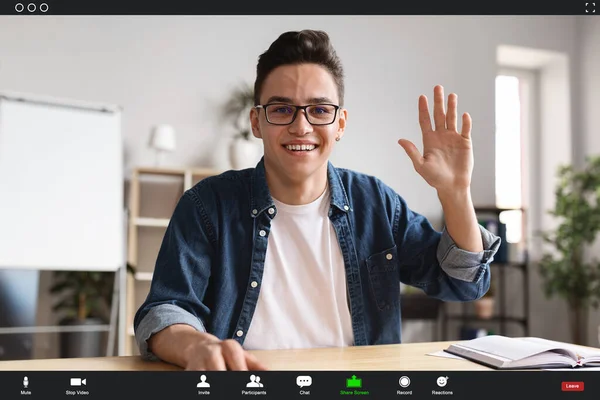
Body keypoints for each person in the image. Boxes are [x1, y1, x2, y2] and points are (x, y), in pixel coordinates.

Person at [133, 29, 500, 371]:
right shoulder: (206, 205)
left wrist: (455, 195)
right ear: (256, 122)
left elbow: (464, 284)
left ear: (340, 124)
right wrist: (196, 345)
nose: (301, 127)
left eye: (320, 110)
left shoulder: (375, 203)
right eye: (281, 109)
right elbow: (167, 308)